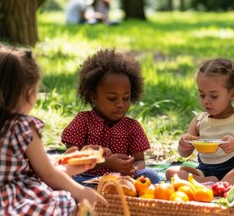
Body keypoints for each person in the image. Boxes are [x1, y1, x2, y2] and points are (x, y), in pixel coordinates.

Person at [0, 47, 106, 216]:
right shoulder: (23, 126)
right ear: (28, 93)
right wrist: (80, 192)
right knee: (66, 207)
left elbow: (23, 169)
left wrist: (65, 168)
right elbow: (47, 174)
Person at [61, 48, 161, 184]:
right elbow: (71, 157)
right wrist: (105, 162)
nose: (120, 104)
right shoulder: (83, 121)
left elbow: (139, 160)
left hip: (122, 179)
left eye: (126, 98)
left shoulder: (132, 127)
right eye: (112, 98)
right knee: (66, 178)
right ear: (93, 96)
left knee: (152, 176)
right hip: (86, 178)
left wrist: (131, 169)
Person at [165, 57, 234, 184]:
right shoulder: (200, 120)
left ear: (233, 93)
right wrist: (183, 145)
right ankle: (212, 184)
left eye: (214, 96)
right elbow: (184, 153)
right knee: (172, 172)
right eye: (202, 94)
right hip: (204, 171)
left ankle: (213, 184)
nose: (206, 100)